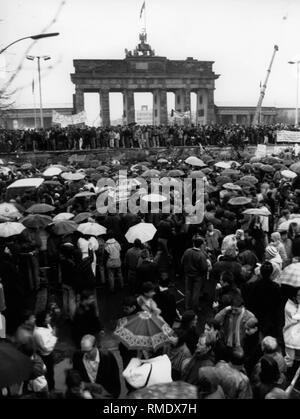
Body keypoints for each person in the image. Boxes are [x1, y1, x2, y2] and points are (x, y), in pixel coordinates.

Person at [72, 334, 121, 398]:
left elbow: (115, 380)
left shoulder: (108, 357)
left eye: (89, 351)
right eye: (84, 351)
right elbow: (77, 377)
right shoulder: (77, 356)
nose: (86, 354)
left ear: (95, 346)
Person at [181, 235, 208, 311]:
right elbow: (204, 268)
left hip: (188, 275)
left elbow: (182, 261)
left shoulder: (187, 251)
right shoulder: (201, 255)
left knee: (188, 291)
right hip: (197, 276)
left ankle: (187, 306)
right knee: (196, 292)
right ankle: (194, 308)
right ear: (201, 245)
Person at [33, 310, 58, 391]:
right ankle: (50, 389)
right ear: (43, 320)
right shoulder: (38, 333)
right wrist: (54, 336)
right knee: (48, 373)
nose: (50, 318)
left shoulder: (46, 325)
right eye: (48, 317)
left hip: (49, 354)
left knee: (51, 372)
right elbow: (46, 347)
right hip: (46, 356)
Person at [283, 287, 300, 370]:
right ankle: (286, 373)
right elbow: (297, 317)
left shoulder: (296, 303)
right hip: (290, 336)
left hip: (297, 337)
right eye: (299, 295)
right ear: (294, 296)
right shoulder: (289, 305)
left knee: (297, 358)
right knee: (289, 359)